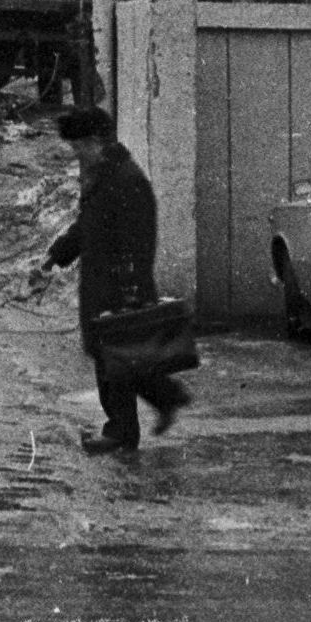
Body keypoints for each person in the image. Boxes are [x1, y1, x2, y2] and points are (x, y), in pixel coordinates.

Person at [44, 103, 190, 454]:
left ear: (97, 141)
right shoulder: (105, 176)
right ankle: (165, 397)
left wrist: (131, 290)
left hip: (119, 285)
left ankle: (121, 431)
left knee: (114, 355)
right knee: (116, 354)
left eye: (79, 146)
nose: (77, 154)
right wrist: (57, 254)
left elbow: (140, 239)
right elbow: (87, 226)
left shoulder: (126, 180)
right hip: (102, 281)